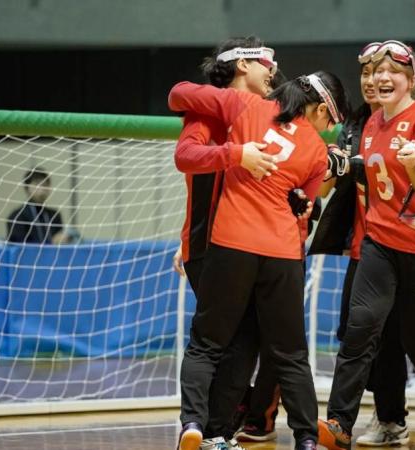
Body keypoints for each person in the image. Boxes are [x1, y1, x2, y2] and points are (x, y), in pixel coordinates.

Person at [169, 70, 350, 450]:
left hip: (232, 244)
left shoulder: (245, 104)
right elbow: (304, 208)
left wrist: (238, 153)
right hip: (283, 255)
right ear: (319, 109)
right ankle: (305, 439)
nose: (328, 129)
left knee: (207, 345)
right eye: (330, 120)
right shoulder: (318, 151)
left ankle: (194, 425)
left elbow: (177, 94)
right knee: (291, 355)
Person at [317, 40, 415, 450]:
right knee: (361, 329)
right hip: (379, 242)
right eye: (370, 72)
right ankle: (339, 424)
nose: (379, 78)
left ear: (411, 79)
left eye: (391, 72)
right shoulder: (368, 124)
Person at [171, 37, 289, 450]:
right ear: (242, 65)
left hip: (247, 245)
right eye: (265, 63)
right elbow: (186, 156)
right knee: (216, 339)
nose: (272, 71)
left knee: (245, 339)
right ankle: (200, 426)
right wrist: (236, 153)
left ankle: (211, 431)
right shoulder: (209, 109)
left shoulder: (264, 115)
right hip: (211, 246)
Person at [309, 41, 411, 448]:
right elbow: (326, 183)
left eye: (381, 74)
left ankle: (393, 416)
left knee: (397, 339)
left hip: (405, 248)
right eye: (366, 75)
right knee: (354, 336)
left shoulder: (408, 122)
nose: (373, 81)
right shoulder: (352, 126)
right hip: (362, 246)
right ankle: (374, 419)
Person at [6, 167, 72, 244]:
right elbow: (19, 246)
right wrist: (51, 242)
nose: (42, 188)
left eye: (45, 184)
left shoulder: (54, 215)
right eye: (37, 184)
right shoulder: (17, 216)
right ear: (27, 187)